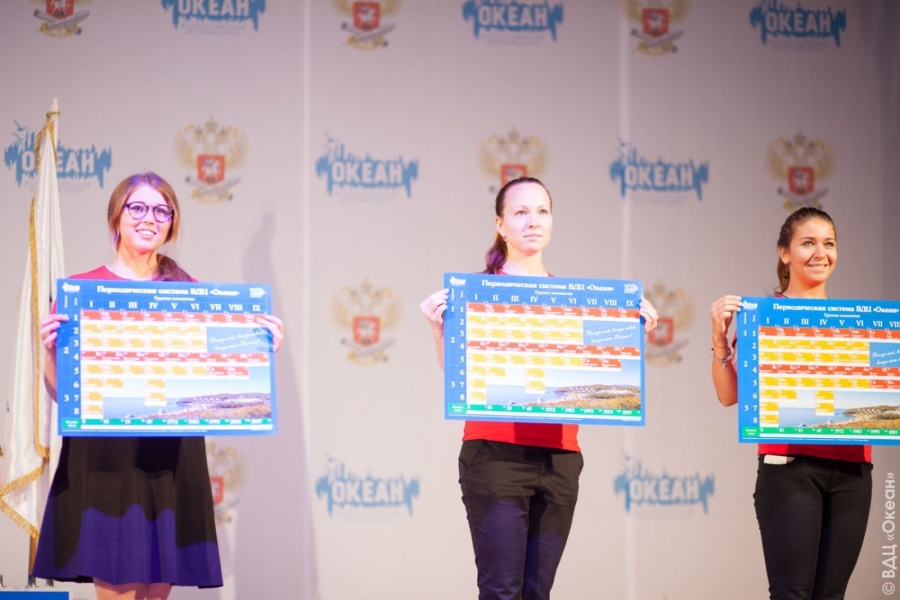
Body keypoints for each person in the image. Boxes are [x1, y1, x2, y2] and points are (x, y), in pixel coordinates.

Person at [32, 172, 285, 600]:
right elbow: (61, 393)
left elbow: (217, 375)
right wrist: (53, 352)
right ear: (116, 216)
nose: (149, 218)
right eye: (138, 207)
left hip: (170, 457)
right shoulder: (82, 292)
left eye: (161, 211)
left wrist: (258, 346)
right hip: (107, 459)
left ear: (171, 223)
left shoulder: (188, 292)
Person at [420, 176, 658, 600]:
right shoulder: (477, 293)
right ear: (500, 224)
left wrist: (631, 332)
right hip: (495, 454)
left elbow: (597, 374)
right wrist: (440, 330)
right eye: (521, 212)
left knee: (538, 593)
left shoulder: (575, 300)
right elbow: (460, 374)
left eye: (542, 211)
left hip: (560, 457)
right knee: (501, 592)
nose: (533, 221)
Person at [709, 207, 872, 600]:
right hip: (790, 469)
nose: (821, 253)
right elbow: (729, 396)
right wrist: (718, 340)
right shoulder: (763, 317)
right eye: (808, 243)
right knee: (792, 593)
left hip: (853, 472)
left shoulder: (857, 324)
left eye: (829, 243)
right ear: (785, 253)